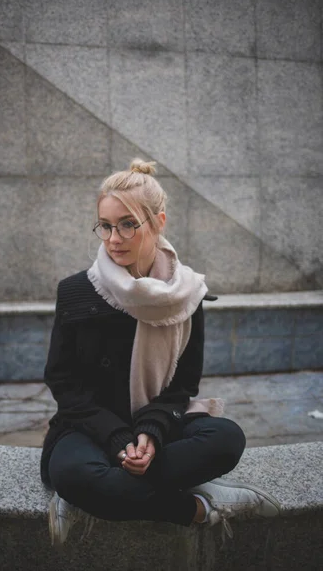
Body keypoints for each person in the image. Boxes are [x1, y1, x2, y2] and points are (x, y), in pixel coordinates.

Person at [40, 159, 280, 547]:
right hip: (90, 427)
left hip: (158, 424)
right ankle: (199, 507)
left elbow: (183, 384)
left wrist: (150, 432)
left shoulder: (187, 295)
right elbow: (63, 383)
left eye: (127, 224)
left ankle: (98, 496)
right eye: (105, 224)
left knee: (226, 439)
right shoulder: (76, 291)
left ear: (158, 221)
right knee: (71, 473)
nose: (113, 238)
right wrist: (119, 439)